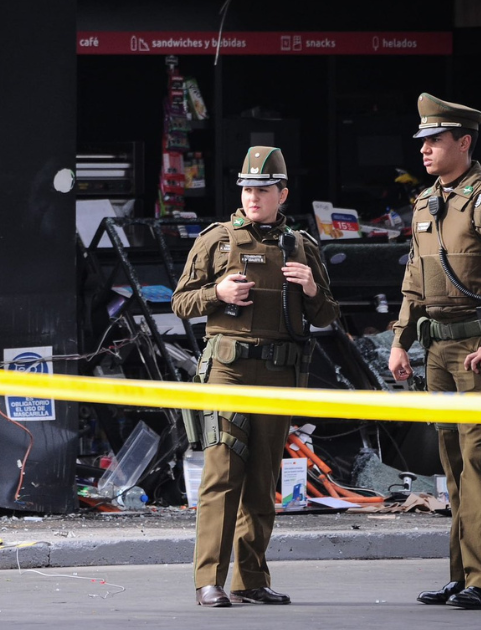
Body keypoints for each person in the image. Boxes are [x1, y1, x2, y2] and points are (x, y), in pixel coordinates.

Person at [388, 93, 481, 610]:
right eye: (423, 142)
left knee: (478, 460)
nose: (426, 150)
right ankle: (463, 574)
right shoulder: (426, 204)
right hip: (437, 347)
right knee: (452, 464)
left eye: (435, 141)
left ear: (464, 142)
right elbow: (415, 278)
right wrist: (400, 339)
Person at [174, 146, 340, 607]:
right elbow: (181, 302)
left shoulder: (302, 244)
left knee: (264, 477)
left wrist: (309, 286)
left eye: (262, 190)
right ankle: (209, 580)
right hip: (227, 368)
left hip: (278, 371)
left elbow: (327, 314)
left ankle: (252, 579)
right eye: (247, 189)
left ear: (282, 194)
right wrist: (217, 291)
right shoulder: (218, 239)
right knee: (223, 470)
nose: (252, 197)